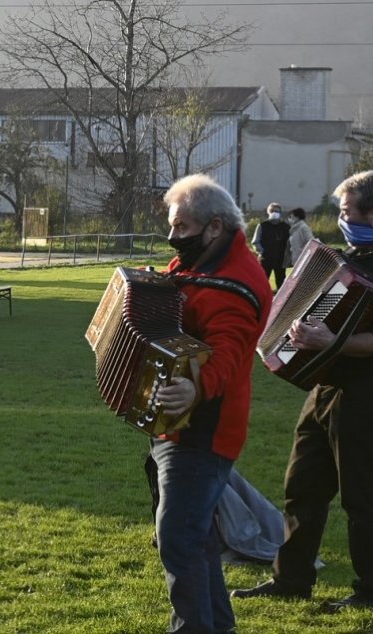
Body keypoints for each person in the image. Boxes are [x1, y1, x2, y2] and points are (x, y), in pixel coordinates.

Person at [231, 171, 373, 614]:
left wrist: (329, 342)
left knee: (364, 498)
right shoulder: (345, 257)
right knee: (301, 488)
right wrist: (300, 337)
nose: (340, 220)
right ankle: (291, 581)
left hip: (368, 396)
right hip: (322, 391)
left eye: (346, 212)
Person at [152, 173, 273, 634]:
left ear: (215, 226)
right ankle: (218, 626)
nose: (173, 236)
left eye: (182, 227)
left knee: (179, 539)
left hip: (203, 429)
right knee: (196, 537)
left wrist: (195, 388)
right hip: (177, 422)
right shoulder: (200, 262)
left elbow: (229, 350)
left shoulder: (235, 282)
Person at [251, 202, 291, 290]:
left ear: (280, 213)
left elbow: (290, 243)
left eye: (277, 211)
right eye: (272, 211)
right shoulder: (262, 226)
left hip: (280, 259)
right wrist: (261, 252)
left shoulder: (286, 227)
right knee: (262, 283)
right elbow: (255, 241)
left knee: (281, 284)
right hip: (265, 259)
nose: (275, 213)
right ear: (268, 212)